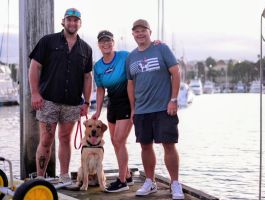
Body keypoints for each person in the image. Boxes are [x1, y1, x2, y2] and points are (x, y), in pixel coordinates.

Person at [28, 8, 93, 183]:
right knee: (46, 139)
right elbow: (35, 67)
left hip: (72, 103)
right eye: (69, 20)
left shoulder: (86, 49)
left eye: (76, 20)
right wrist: (35, 93)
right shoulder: (48, 41)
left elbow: (88, 77)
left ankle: (64, 176)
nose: (72, 23)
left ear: (80, 23)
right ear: (63, 21)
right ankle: (40, 179)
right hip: (48, 100)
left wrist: (86, 102)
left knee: (65, 139)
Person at [126, 19, 185, 199]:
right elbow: (130, 84)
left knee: (168, 145)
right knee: (145, 146)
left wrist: (173, 100)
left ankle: (175, 183)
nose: (140, 33)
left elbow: (175, 73)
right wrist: (133, 109)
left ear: (149, 32)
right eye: (136, 31)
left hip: (163, 108)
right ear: (133, 34)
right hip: (142, 110)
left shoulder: (162, 49)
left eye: (143, 30)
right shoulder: (131, 57)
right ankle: (150, 182)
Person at [92, 30, 133, 192]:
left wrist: (155, 45)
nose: (106, 44)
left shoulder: (124, 56)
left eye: (108, 41)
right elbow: (101, 89)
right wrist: (98, 110)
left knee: (119, 141)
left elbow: (142, 55)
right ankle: (128, 175)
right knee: (115, 142)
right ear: (99, 45)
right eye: (102, 41)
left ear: (113, 42)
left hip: (127, 102)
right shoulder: (98, 66)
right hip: (112, 105)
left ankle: (122, 181)